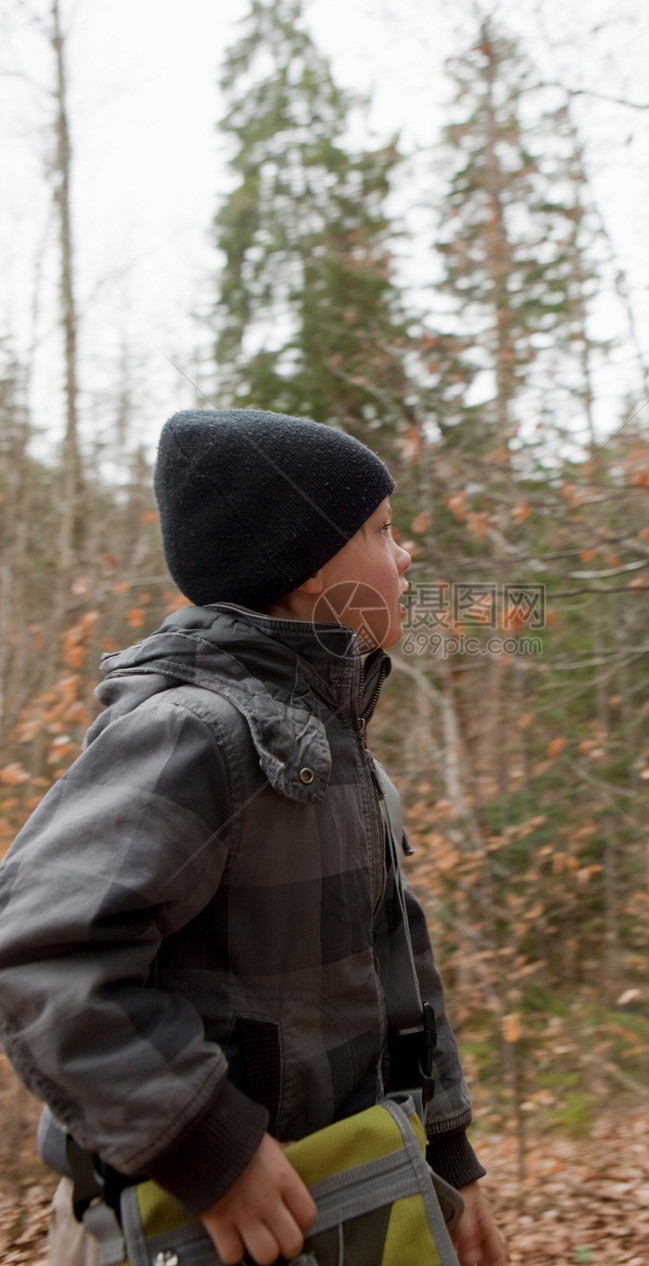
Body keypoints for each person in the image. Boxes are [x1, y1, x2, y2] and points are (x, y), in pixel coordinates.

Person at [0, 409, 506, 1266]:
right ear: (309, 569)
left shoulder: (338, 753)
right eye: (382, 530)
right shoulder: (199, 733)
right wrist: (206, 1144)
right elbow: (38, 952)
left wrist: (446, 1156)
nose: (408, 553)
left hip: (345, 1204)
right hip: (178, 1228)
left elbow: (400, 977)